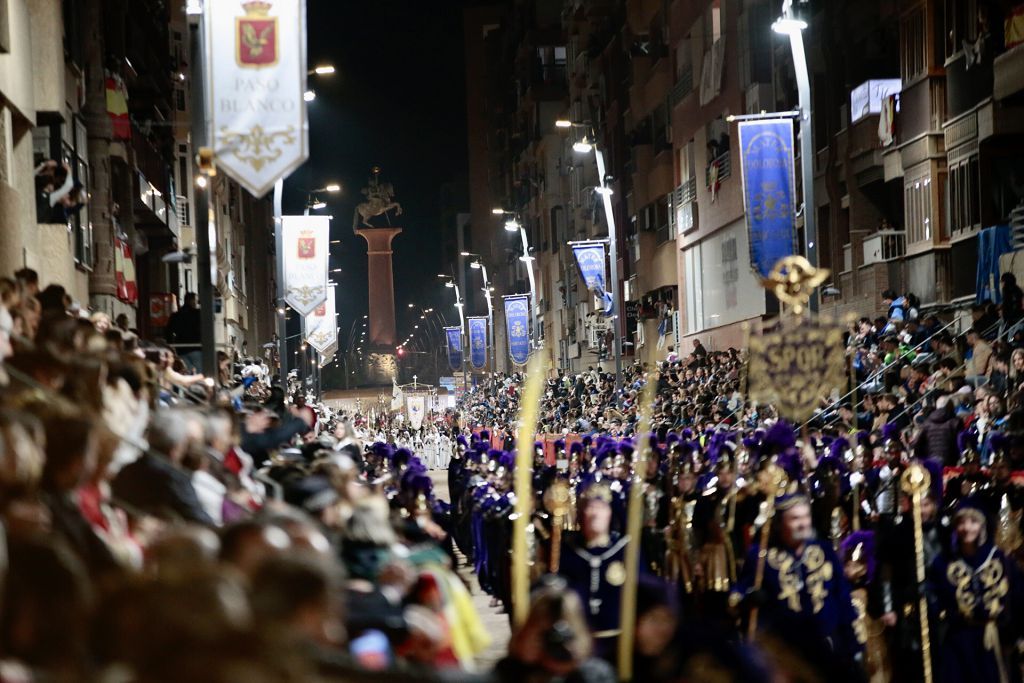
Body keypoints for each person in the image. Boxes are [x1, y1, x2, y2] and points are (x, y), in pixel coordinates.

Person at [730, 493, 862, 679]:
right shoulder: (761, 558)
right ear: (780, 523)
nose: (802, 523)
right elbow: (737, 594)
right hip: (786, 655)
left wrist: (854, 645)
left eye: (805, 517)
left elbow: (843, 597)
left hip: (827, 646)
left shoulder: (824, 551)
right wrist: (749, 598)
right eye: (795, 518)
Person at [929, 501, 1021, 683]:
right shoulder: (945, 562)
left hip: (994, 640)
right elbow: (937, 596)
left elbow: (1017, 597)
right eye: (961, 522)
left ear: (982, 525)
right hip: (959, 640)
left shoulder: (998, 558)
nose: (966, 528)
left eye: (973, 522)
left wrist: (1015, 634)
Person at [167, 293, 202, 373]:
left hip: (181, 348)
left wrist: (172, 346)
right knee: (200, 374)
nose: (196, 303)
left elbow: (168, 332)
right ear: (192, 301)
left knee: (185, 372)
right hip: (196, 347)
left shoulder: (176, 315)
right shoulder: (198, 314)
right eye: (196, 301)